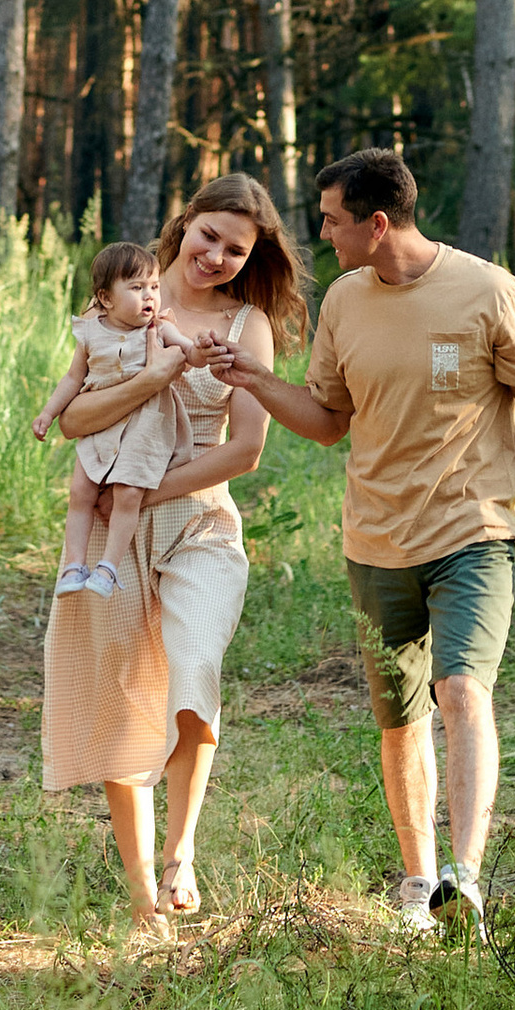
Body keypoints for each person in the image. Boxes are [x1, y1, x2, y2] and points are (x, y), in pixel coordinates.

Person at [204, 147, 515, 934]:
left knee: (462, 688)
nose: (324, 235)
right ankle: (418, 884)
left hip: (472, 530)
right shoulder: (344, 300)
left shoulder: (489, 291)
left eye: (334, 221)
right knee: (399, 717)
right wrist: (254, 380)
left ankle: (465, 875)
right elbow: (330, 420)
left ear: (377, 223)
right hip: (375, 540)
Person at [40, 172, 313, 932]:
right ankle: (139, 899)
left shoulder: (246, 325)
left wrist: (150, 488)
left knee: (194, 670)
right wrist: (154, 373)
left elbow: (248, 449)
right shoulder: (125, 303)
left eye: (236, 247)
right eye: (209, 235)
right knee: (124, 695)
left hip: (197, 524)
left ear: (251, 256)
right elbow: (75, 420)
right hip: (113, 534)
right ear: (184, 222)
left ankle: (180, 849)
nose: (217, 255)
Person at [34, 242, 193, 598]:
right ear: (105, 299)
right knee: (80, 491)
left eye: (153, 286)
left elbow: (187, 349)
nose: (149, 295)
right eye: (136, 288)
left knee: (128, 492)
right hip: (101, 423)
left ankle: (108, 567)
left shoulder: (160, 329)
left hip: (145, 425)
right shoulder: (91, 332)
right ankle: (74, 565)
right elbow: (73, 379)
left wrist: (202, 350)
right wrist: (48, 413)